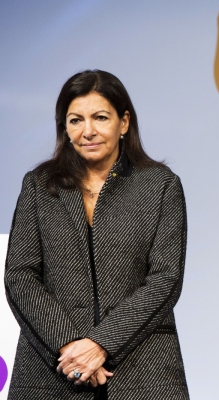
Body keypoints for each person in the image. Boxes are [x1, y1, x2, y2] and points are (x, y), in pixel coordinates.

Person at [4, 70, 189, 399]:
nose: (87, 131)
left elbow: (166, 279)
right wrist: (70, 347)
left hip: (143, 370)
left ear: (124, 122)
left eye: (100, 117)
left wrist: (102, 343)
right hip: (54, 370)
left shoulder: (160, 185)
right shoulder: (38, 186)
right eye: (75, 120)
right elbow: (20, 276)